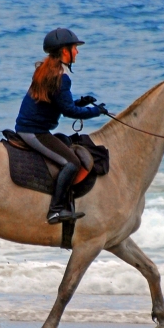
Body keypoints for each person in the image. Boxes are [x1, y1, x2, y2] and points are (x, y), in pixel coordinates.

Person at [15, 28, 107, 224]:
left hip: (31, 127)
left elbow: (59, 102)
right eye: (75, 48)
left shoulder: (47, 69)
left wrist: (81, 102)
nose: (77, 52)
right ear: (65, 51)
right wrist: (96, 111)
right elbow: (69, 112)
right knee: (72, 163)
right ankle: (55, 210)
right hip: (34, 131)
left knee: (65, 144)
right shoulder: (61, 76)